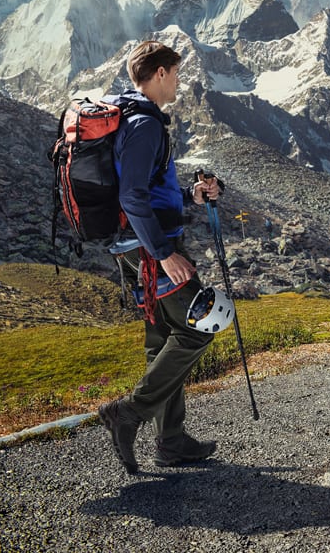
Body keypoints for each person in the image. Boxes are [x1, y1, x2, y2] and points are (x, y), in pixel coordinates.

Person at [97, 40, 224, 474]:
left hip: (136, 246)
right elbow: (132, 195)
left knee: (162, 340)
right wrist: (166, 253)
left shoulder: (131, 117)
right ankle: (129, 414)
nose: (180, 81)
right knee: (200, 326)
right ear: (161, 74)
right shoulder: (145, 124)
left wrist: (192, 194)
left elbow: (146, 190)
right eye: (177, 72)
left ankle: (171, 442)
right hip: (150, 250)